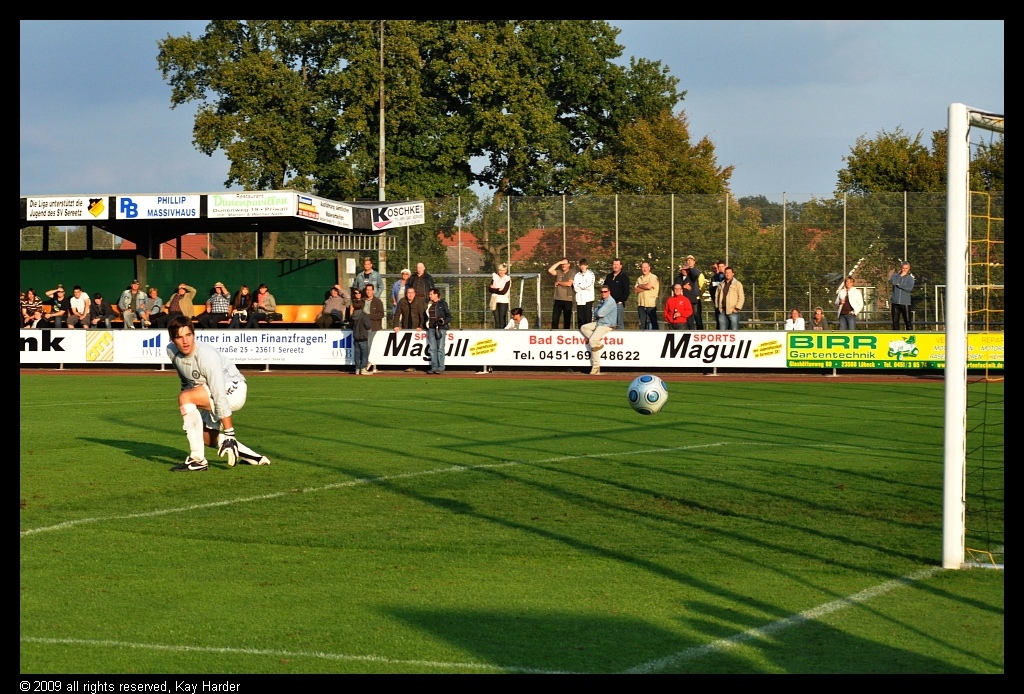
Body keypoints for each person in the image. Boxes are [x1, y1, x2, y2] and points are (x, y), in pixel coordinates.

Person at [164, 314, 270, 472]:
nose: (185, 341)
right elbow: (185, 379)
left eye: (188, 335)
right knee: (206, 438)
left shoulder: (207, 357)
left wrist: (230, 433)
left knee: (185, 397)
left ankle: (198, 460)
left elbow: (219, 394)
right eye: (179, 337)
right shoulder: (171, 351)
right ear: (173, 340)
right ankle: (255, 458)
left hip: (233, 388)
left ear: (194, 334)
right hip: (209, 389)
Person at [580, 285, 617, 375]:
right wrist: (598, 314)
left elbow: (599, 313)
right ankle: (597, 343)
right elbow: (596, 312)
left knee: (592, 341)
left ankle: (596, 367)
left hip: (607, 325)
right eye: (602, 292)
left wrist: (598, 314)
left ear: (609, 292)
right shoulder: (603, 301)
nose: (603, 293)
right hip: (600, 323)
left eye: (605, 292)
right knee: (584, 328)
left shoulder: (610, 301)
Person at [425, 288, 452, 374]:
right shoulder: (429, 304)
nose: (429, 296)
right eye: (429, 294)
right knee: (432, 349)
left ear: (436, 294)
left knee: (440, 348)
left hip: (441, 328)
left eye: (431, 294)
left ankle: (441, 367)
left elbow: (449, 316)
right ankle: (434, 367)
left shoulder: (443, 303)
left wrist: (443, 322)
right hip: (431, 328)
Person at [675, 256, 705, 330]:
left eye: (691, 260)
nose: (689, 262)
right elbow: (675, 285)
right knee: (688, 317)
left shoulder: (697, 273)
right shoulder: (680, 277)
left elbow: (702, 286)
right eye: (688, 260)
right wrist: (683, 286)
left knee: (697, 317)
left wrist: (698, 295)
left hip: (695, 299)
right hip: (685, 299)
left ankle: (700, 332)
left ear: (694, 262)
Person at [362, 283, 386, 374]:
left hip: (374, 327)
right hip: (363, 327)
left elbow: (381, 314)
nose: (368, 292)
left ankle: (370, 365)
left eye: (370, 290)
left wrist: (369, 316)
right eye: (367, 290)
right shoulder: (362, 301)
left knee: (371, 346)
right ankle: (366, 365)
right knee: (365, 346)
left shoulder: (378, 301)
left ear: (373, 291)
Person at [603, 258, 630, 330]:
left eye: (617, 264)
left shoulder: (624, 277)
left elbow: (626, 291)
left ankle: (620, 336)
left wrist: (621, 301)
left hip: (618, 304)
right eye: (614, 264)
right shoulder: (609, 277)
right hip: (608, 304)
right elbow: (604, 288)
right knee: (608, 323)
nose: (615, 266)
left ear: (621, 266)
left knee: (619, 323)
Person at [548, 257, 575, 329]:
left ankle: (566, 334)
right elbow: (550, 270)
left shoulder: (571, 272)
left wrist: (559, 282)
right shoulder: (559, 272)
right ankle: (554, 333)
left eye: (565, 264)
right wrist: (559, 262)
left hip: (567, 299)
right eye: (562, 264)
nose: (563, 265)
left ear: (569, 264)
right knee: (555, 319)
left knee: (567, 320)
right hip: (558, 299)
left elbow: (569, 283)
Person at [634, 260, 660, 330]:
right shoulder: (639, 278)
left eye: (646, 267)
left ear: (649, 268)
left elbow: (649, 286)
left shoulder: (653, 277)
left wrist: (640, 286)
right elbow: (636, 290)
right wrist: (645, 286)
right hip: (641, 304)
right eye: (643, 267)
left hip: (651, 304)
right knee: (642, 324)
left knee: (653, 322)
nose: (644, 269)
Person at [890, 262, 914, 330]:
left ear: (909, 269)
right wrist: (900, 276)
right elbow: (893, 282)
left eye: (906, 268)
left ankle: (909, 335)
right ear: (901, 268)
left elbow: (909, 288)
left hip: (905, 303)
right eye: (903, 268)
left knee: (908, 322)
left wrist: (899, 285)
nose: (904, 270)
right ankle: (896, 335)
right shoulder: (895, 276)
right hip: (895, 302)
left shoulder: (910, 279)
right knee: (895, 323)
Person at [573, 258, 595, 328]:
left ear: (587, 265)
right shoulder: (577, 275)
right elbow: (576, 288)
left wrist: (580, 285)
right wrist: (582, 286)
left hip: (588, 300)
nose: (582, 267)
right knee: (580, 320)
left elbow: (589, 286)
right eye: (581, 265)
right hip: (579, 301)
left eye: (584, 265)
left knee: (588, 321)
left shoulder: (591, 274)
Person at [489, 263, 511, 328]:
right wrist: (498, 289)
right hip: (494, 301)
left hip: (503, 302)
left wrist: (494, 289)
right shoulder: (495, 277)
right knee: (497, 321)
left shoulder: (507, 279)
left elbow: (504, 292)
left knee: (502, 321)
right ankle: (497, 333)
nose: (501, 272)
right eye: (500, 270)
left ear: (505, 271)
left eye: (503, 270)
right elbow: (490, 289)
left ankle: (503, 332)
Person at [350, 297, 368, 374]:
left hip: (356, 337)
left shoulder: (352, 316)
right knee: (364, 353)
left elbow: (351, 326)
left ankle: (357, 369)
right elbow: (368, 326)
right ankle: (363, 368)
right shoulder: (364, 315)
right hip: (363, 337)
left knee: (357, 353)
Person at [709, 261, 726, 328]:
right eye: (713, 268)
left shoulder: (728, 277)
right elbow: (711, 290)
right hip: (718, 304)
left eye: (716, 268)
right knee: (719, 323)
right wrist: (716, 301)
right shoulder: (713, 278)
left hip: (728, 304)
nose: (715, 270)